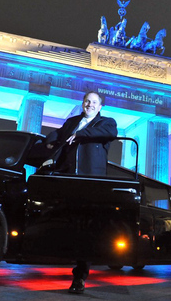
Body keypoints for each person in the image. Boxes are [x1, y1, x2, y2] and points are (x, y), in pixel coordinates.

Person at [44, 91, 117, 294]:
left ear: (100, 106)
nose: (90, 105)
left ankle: (79, 276)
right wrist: (47, 141)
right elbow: (59, 133)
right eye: (87, 101)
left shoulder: (107, 122)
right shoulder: (72, 121)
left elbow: (109, 133)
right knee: (65, 222)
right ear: (82, 103)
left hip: (89, 183)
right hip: (67, 178)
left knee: (85, 228)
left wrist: (80, 134)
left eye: (94, 102)